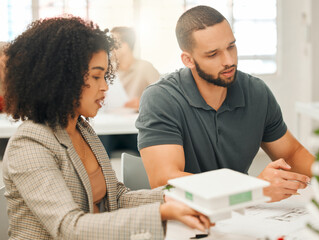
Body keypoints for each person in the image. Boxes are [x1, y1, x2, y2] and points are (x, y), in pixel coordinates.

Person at [2, 16, 211, 239]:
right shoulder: (30, 144)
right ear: (62, 78)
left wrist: (176, 194)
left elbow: (116, 197)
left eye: (105, 76)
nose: (104, 87)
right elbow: (69, 227)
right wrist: (160, 212)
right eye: (96, 76)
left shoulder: (82, 129)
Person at [136, 5, 315, 203]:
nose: (229, 60)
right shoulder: (161, 98)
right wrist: (254, 190)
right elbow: (166, 181)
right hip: (184, 215)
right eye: (213, 54)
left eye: (231, 46)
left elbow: (292, 154)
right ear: (188, 60)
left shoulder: (256, 92)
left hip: (240, 212)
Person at [110, 26, 160, 111]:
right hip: (110, 119)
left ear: (124, 46)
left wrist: (143, 103)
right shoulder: (109, 70)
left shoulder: (145, 67)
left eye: (112, 44)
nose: (110, 48)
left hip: (137, 120)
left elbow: (164, 97)